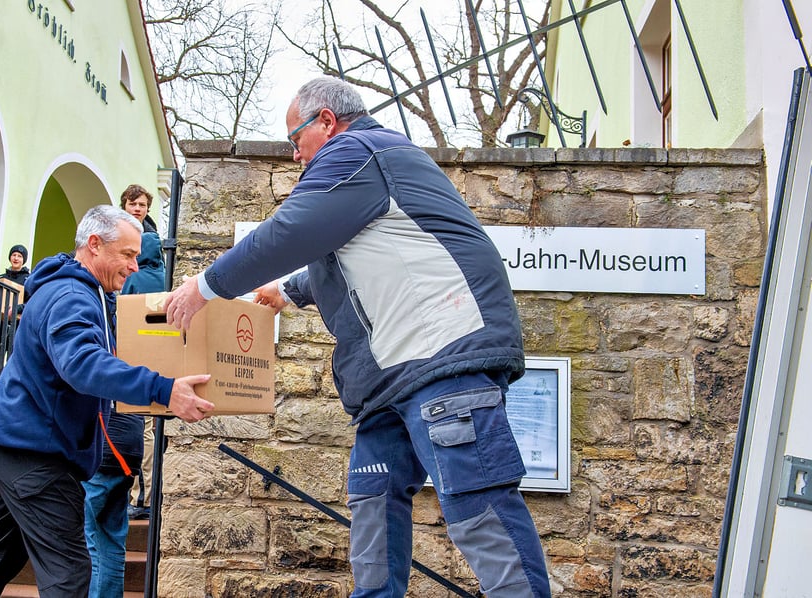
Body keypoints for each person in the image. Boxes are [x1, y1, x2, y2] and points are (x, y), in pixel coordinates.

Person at [163, 77, 551, 598]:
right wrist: (290, 292)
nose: (296, 157)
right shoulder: (367, 169)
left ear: (326, 120)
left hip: (441, 362)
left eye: (296, 142)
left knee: (478, 515)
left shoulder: (359, 150)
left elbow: (290, 231)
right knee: (372, 510)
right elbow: (350, 255)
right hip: (391, 383)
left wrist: (205, 285)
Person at [0, 205, 214, 598]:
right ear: (94, 245)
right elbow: (82, 364)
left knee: (5, 557)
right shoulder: (72, 295)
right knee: (70, 573)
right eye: (127, 255)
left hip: (15, 445)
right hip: (33, 455)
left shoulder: (84, 291)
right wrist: (164, 389)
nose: (134, 266)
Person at [79, 185, 165, 597]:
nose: (129, 267)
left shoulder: (111, 301)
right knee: (111, 538)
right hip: (130, 438)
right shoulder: (159, 285)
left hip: (105, 436)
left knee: (89, 543)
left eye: (133, 255)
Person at [120, 185, 166, 522]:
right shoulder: (168, 276)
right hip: (161, 360)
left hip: (131, 357)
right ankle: (150, 493)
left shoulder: (132, 280)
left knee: (133, 425)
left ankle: (138, 495)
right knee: (152, 428)